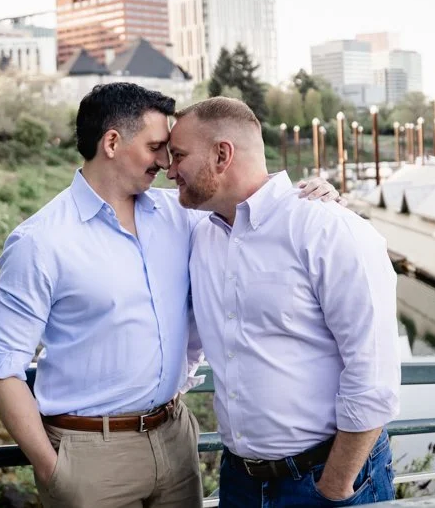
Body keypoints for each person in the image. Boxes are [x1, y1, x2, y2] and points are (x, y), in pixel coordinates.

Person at [0, 83, 339, 508]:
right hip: (89, 455)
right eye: (155, 147)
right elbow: (2, 365)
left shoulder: (181, 216)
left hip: (174, 440)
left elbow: (248, 213)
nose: (165, 162)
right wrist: (53, 469)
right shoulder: (40, 241)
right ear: (112, 142)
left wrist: (312, 198)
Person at [167, 97, 401, 507]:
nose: (170, 171)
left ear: (222, 154)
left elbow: (373, 373)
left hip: (324, 479)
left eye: (179, 156)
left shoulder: (330, 230)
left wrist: (334, 487)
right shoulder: (198, 232)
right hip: (239, 480)